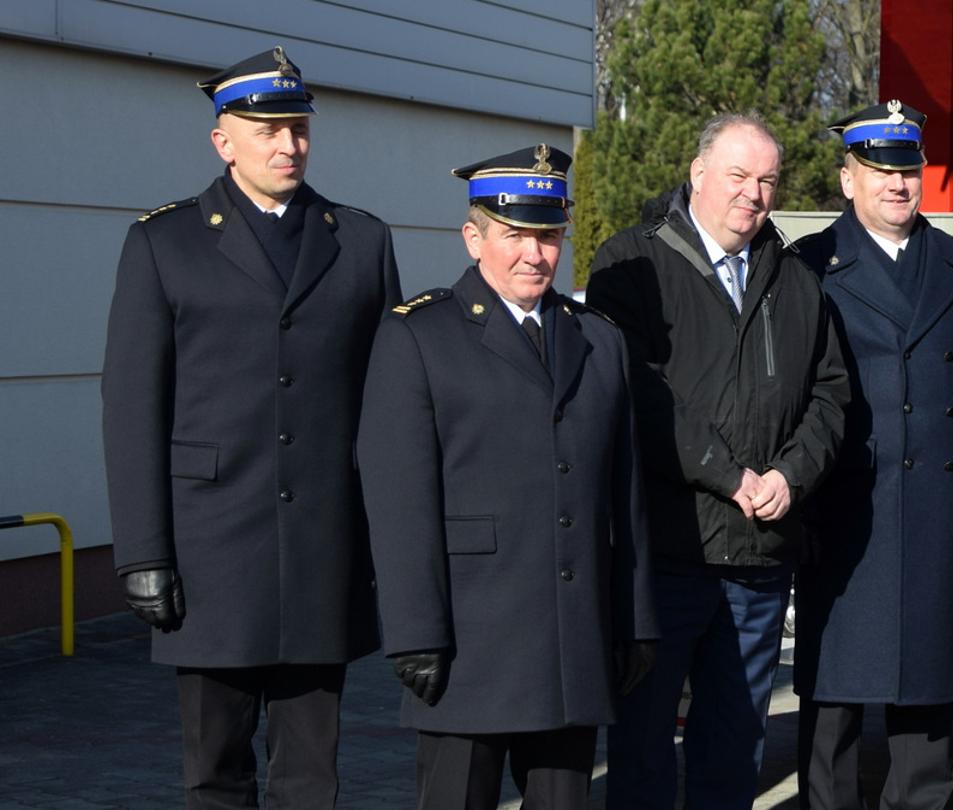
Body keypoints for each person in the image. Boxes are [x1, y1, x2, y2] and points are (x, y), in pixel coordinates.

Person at [100, 46, 399, 809]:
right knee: (215, 774)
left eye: (298, 128)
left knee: (311, 778)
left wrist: (391, 551)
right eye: (267, 131)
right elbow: (133, 408)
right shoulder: (164, 243)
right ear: (222, 141)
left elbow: (386, 411)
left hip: (323, 553)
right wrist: (143, 552)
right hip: (212, 557)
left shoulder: (360, 242)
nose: (288, 144)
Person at [355, 145, 656, 809]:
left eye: (547, 237)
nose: (534, 255)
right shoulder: (420, 336)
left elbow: (624, 494)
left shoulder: (598, 339)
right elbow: (400, 503)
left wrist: (635, 619)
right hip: (471, 644)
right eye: (514, 236)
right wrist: (414, 631)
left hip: (572, 641)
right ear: (474, 239)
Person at [588, 113, 851, 810]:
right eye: (738, 175)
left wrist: (791, 475)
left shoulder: (796, 279)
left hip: (759, 557)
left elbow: (830, 394)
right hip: (665, 554)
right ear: (698, 173)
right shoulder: (632, 263)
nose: (753, 194)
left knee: (733, 748)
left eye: (767, 180)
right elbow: (637, 392)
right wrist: (727, 475)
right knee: (643, 747)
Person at [789, 100, 953, 809]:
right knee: (832, 704)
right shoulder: (809, 265)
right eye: (879, 171)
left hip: (932, 513)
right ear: (847, 179)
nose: (898, 185)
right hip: (842, 513)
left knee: (925, 704)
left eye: (909, 171)